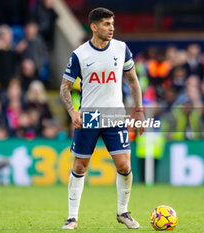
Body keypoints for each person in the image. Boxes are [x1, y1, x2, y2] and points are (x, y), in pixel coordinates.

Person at [60, 7, 145, 230]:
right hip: (89, 115)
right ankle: (72, 217)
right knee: (80, 166)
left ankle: (123, 212)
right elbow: (64, 88)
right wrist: (72, 112)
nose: (111, 28)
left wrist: (139, 108)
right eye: (107, 24)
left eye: (112, 23)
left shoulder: (121, 48)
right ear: (94, 27)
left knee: (125, 165)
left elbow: (133, 80)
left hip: (114, 115)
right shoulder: (80, 54)